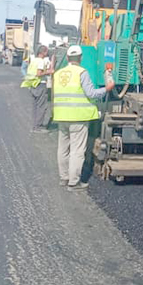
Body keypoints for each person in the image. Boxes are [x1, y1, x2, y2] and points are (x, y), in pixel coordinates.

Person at [53, 45, 114, 191]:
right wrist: (107, 89)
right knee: (77, 150)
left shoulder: (58, 74)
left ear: (67, 58)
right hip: (78, 117)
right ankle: (73, 183)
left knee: (63, 149)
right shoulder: (82, 73)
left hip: (61, 116)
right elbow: (91, 93)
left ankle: (64, 177)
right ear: (80, 58)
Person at [21, 45, 53, 133]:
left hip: (32, 84)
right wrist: (49, 71)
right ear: (43, 52)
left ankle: (35, 126)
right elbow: (39, 73)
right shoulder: (41, 62)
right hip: (40, 84)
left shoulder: (34, 60)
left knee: (35, 106)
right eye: (46, 52)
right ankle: (38, 127)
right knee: (41, 106)